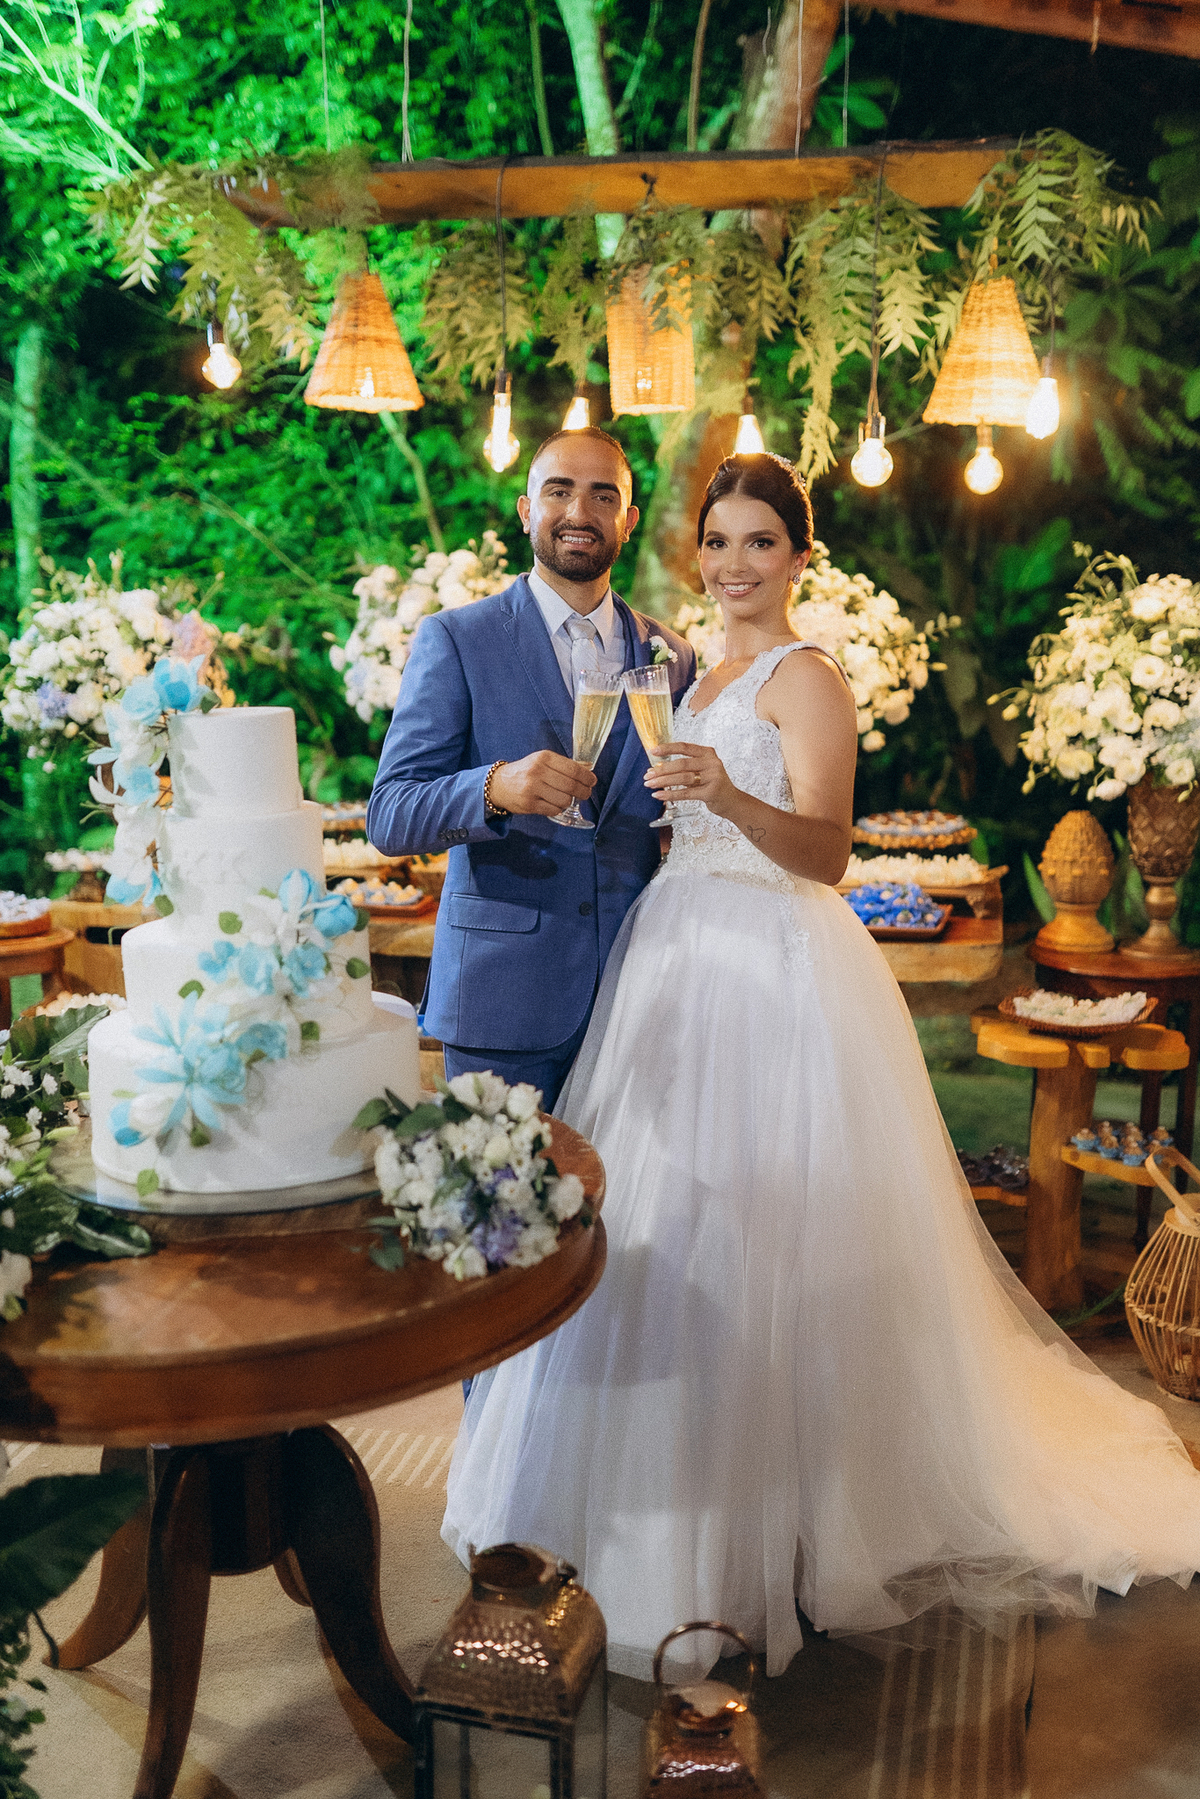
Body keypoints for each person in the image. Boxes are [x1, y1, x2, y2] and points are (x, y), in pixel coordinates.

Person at [442, 451, 1200, 1683]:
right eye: (719, 540)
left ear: (803, 556)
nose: (737, 563)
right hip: (671, 958)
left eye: (760, 542)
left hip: (772, 965)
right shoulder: (686, 667)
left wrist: (730, 796)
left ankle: (781, 1532)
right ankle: (621, 1515)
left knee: (767, 1237)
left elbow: (829, 851)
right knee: (652, 1230)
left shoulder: (809, 676)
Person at [367, 427, 694, 1107]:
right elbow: (390, 813)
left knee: (625, 1214)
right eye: (559, 491)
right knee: (504, 1208)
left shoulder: (675, 656)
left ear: (628, 521)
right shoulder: (458, 639)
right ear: (525, 510)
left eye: (603, 495)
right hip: (503, 999)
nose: (580, 511)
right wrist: (495, 787)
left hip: (641, 1001)